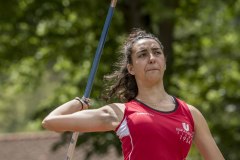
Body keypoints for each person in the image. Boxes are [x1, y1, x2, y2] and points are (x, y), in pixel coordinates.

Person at [42, 28, 225, 160]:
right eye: (143, 54)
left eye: (156, 52)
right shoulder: (120, 113)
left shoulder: (191, 114)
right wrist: (78, 103)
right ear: (131, 68)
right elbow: (50, 122)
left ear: (164, 62)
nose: (152, 58)